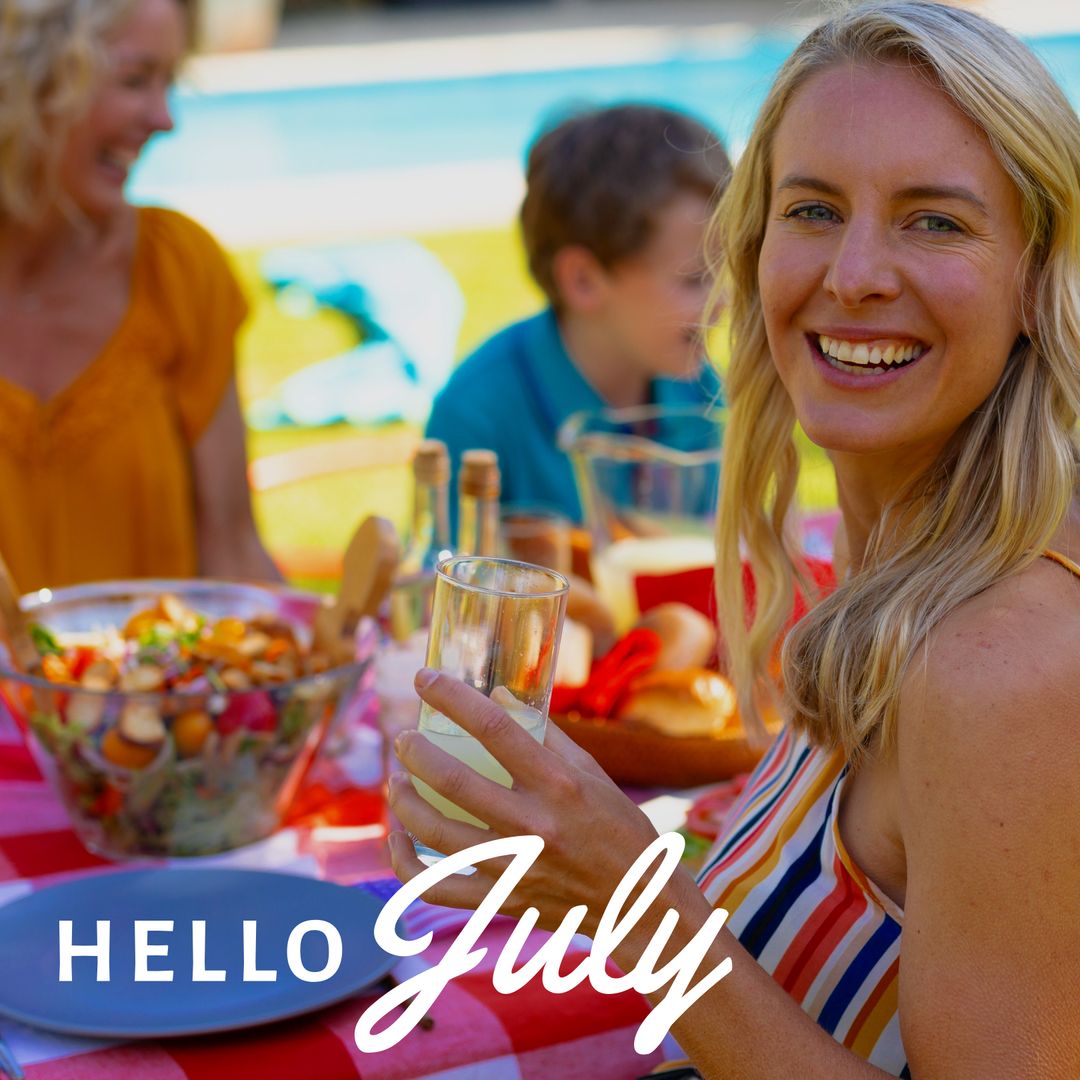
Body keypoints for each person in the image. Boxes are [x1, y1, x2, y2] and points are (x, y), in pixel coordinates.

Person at [388, 3, 1080, 1077]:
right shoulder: (901, 568)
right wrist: (589, 853)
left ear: (1039, 277)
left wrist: (639, 907)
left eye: (933, 221)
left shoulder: (1003, 663)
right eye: (813, 209)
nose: (853, 274)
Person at [0, 0, 281, 594]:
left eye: (169, 81)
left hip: (159, 685)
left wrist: (328, 664)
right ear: (26, 79)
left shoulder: (178, 270)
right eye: (135, 79)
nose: (164, 118)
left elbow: (231, 550)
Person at [425, 103, 730, 525]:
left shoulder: (700, 393)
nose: (725, 299)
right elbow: (446, 583)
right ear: (584, 280)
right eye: (696, 278)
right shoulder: (477, 416)